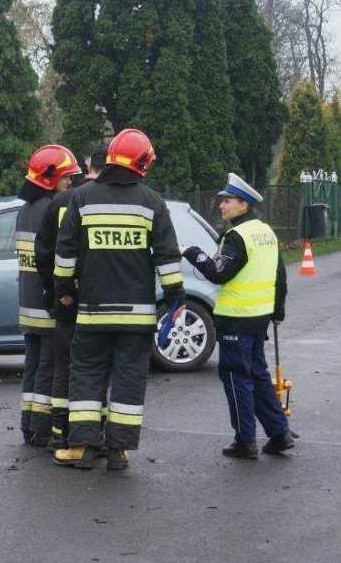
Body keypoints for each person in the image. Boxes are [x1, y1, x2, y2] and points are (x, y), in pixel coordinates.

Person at [52, 129, 185, 470]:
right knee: (128, 379)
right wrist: (175, 297)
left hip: (92, 312)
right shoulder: (152, 202)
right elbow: (167, 256)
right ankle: (118, 451)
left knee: (86, 374)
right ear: (142, 164)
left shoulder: (81, 198)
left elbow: (64, 252)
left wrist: (64, 290)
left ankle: (82, 447)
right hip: (136, 317)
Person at [182, 173, 293, 459]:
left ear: (243, 204)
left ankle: (245, 440)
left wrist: (193, 253)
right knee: (258, 375)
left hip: (236, 320)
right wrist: (278, 310)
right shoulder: (265, 231)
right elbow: (279, 274)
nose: (222, 206)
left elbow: (219, 273)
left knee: (236, 378)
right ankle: (279, 433)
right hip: (258, 318)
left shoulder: (237, 236)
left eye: (227, 201)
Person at [35, 143, 107, 451]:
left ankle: (59, 433)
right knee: (97, 370)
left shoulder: (63, 201)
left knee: (64, 368)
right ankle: (96, 435)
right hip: (98, 302)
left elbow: (44, 253)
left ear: (89, 167)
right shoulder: (117, 203)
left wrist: (56, 292)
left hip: (68, 302)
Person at [16, 145, 81, 447]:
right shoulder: (51, 210)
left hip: (27, 304)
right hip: (47, 303)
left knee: (32, 365)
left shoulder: (25, 211)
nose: (68, 184)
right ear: (49, 178)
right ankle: (42, 426)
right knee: (49, 367)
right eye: (66, 178)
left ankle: (28, 424)